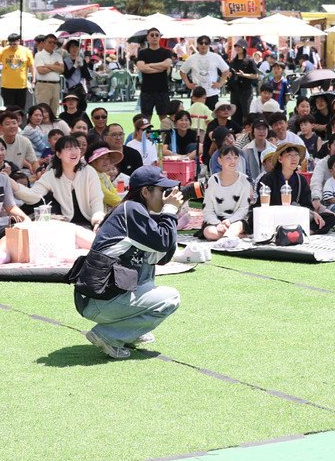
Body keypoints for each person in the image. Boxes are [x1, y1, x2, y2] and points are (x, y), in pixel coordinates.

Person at [71, 165, 183, 359]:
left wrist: (168, 216)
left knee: (148, 267)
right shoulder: (131, 210)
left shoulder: (134, 209)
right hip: (99, 299)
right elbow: (164, 243)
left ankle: (128, 332)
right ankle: (108, 335)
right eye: (162, 190)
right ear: (146, 192)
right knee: (171, 298)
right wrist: (170, 211)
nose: (166, 196)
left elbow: (163, 255)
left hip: (103, 297)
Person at [21, 136, 104, 243]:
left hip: (88, 225)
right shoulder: (51, 176)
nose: (74, 152)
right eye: (68, 149)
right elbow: (33, 196)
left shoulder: (89, 171)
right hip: (65, 227)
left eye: (76, 148)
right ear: (58, 154)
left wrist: (97, 221)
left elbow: (96, 199)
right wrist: (13, 185)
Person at [257, 143, 330, 232]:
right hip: (275, 216)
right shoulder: (268, 178)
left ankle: (302, 232)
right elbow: (261, 205)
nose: (294, 158)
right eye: (289, 155)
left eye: (296, 155)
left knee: (329, 217)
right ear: (280, 159)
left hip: (295, 216)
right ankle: (301, 231)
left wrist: (312, 213)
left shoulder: (300, 179)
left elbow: (307, 205)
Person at [200, 143, 250, 241]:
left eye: (235, 158)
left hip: (237, 220)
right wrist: (218, 223)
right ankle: (234, 236)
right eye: (228, 158)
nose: (233, 161)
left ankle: (228, 237)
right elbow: (207, 209)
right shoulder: (213, 180)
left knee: (236, 227)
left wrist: (229, 221)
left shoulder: (245, 180)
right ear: (220, 161)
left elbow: (244, 208)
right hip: (217, 221)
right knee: (210, 232)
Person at [135, 29, 177, 127]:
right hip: (147, 90)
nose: (154, 37)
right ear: (148, 37)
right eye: (152, 35)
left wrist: (149, 65)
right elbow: (142, 68)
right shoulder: (142, 53)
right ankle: (146, 140)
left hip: (162, 90)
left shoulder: (166, 52)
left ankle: (165, 139)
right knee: (146, 119)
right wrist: (159, 68)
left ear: (159, 37)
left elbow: (167, 64)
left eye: (157, 35)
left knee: (164, 118)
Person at [0, 34, 34, 111]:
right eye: (10, 44)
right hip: (7, 86)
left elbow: (32, 66)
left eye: (14, 44)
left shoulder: (26, 51)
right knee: (8, 110)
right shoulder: (3, 51)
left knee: (20, 110)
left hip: (21, 86)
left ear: (19, 41)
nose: (12, 46)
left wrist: (34, 79)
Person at [33, 35, 65, 117]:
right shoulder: (39, 55)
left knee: (54, 111)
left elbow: (61, 69)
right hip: (43, 85)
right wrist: (54, 66)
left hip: (56, 85)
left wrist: (47, 65)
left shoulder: (58, 55)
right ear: (43, 43)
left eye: (54, 42)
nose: (52, 44)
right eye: (49, 42)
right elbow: (41, 71)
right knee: (42, 111)